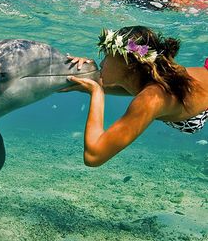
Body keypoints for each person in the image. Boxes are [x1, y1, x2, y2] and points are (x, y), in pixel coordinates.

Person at [62, 26, 208, 167]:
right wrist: (83, 69)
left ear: (129, 63)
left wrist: (97, 94)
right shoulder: (142, 79)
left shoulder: (151, 99)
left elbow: (93, 156)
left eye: (107, 55)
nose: (102, 62)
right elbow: (92, 81)